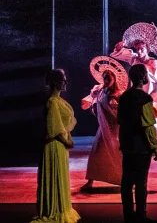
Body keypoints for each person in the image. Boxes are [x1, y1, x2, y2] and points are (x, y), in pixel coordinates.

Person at [32, 69, 80, 223]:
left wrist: (67, 139)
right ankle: (54, 210)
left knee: (60, 176)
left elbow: (62, 126)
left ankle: (60, 208)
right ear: (55, 82)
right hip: (54, 145)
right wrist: (67, 141)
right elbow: (55, 128)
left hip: (60, 145)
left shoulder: (58, 101)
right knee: (55, 175)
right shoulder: (53, 102)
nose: (65, 82)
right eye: (62, 80)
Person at [118, 64, 157, 223]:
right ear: (143, 77)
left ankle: (128, 216)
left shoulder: (124, 97)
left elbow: (120, 121)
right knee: (141, 182)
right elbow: (148, 126)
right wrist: (155, 147)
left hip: (127, 144)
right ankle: (141, 216)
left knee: (127, 182)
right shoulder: (144, 99)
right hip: (141, 146)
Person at [80, 59, 127, 190]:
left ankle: (126, 179)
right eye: (105, 78)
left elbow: (125, 110)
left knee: (119, 153)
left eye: (109, 78)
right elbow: (90, 100)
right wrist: (90, 101)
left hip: (116, 128)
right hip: (104, 127)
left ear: (114, 79)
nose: (106, 81)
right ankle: (90, 181)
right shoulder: (100, 90)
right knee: (97, 152)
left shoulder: (120, 94)